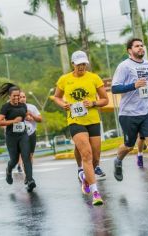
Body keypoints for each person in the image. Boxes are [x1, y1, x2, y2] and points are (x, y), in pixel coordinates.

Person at [112, 38, 148, 191]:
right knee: (129, 146)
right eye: (137, 46)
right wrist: (134, 85)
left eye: (141, 45)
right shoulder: (124, 66)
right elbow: (114, 88)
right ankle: (118, 160)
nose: (140, 48)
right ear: (129, 51)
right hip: (129, 113)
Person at [54, 50, 108, 205]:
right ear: (73, 64)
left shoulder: (94, 78)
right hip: (75, 120)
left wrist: (93, 103)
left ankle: (85, 176)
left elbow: (104, 99)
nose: (82, 67)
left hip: (93, 120)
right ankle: (95, 192)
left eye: (84, 64)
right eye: (78, 64)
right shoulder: (65, 79)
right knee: (87, 154)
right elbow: (57, 97)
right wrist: (63, 104)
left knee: (96, 157)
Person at [0, 83, 36, 192]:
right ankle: (8, 171)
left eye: (18, 95)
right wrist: (14, 121)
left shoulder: (23, 105)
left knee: (26, 157)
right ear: (10, 96)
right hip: (11, 137)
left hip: (23, 134)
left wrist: (28, 116)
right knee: (14, 160)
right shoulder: (6, 107)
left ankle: (30, 180)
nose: (16, 98)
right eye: (14, 96)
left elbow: (26, 114)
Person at [18, 91, 42, 182]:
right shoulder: (13, 108)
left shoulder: (32, 107)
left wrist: (31, 116)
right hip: (20, 135)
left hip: (31, 133)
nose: (22, 98)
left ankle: (28, 175)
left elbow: (40, 119)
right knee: (25, 156)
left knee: (30, 156)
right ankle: (28, 176)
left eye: (24, 96)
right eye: (20, 97)